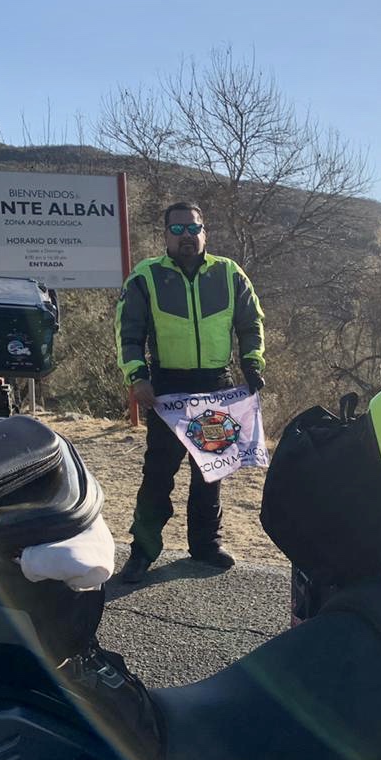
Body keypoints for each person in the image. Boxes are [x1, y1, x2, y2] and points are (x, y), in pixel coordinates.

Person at [114, 202, 266, 583]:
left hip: (215, 387)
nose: (187, 237)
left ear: (205, 232)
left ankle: (205, 545)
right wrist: (137, 377)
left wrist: (252, 364)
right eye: (178, 230)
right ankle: (142, 551)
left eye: (193, 229)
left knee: (211, 471)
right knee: (157, 474)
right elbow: (128, 334)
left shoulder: (229, 274)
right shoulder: (145, 277)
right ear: (165, 234)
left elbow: (251, 324)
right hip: (166, 390)